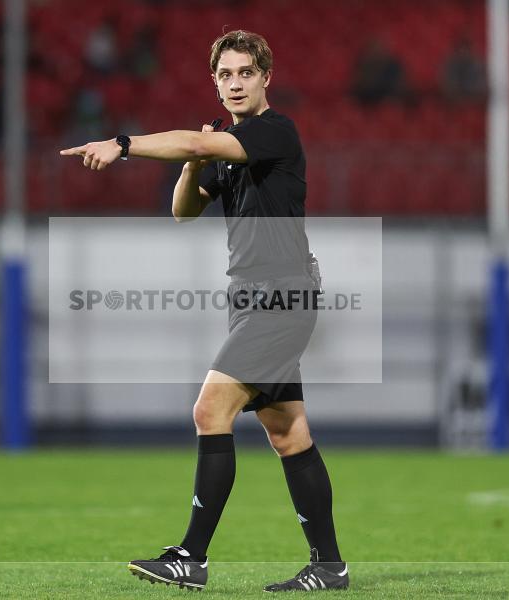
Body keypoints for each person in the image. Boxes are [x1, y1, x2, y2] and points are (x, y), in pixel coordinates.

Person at [60, 30, 348, 592]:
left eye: (245, 73)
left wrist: (123, 143)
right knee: (289, 434)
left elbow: (196, 145)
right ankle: (329, 565)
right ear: (215, 84)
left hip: (280, 297)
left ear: (267, 77)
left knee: (209, 410)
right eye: (225, 75)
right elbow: (183, 210)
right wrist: (194, 163)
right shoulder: (227, 145)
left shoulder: (273, 132)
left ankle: (190, 556)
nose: (236, 83)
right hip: (256, 301)